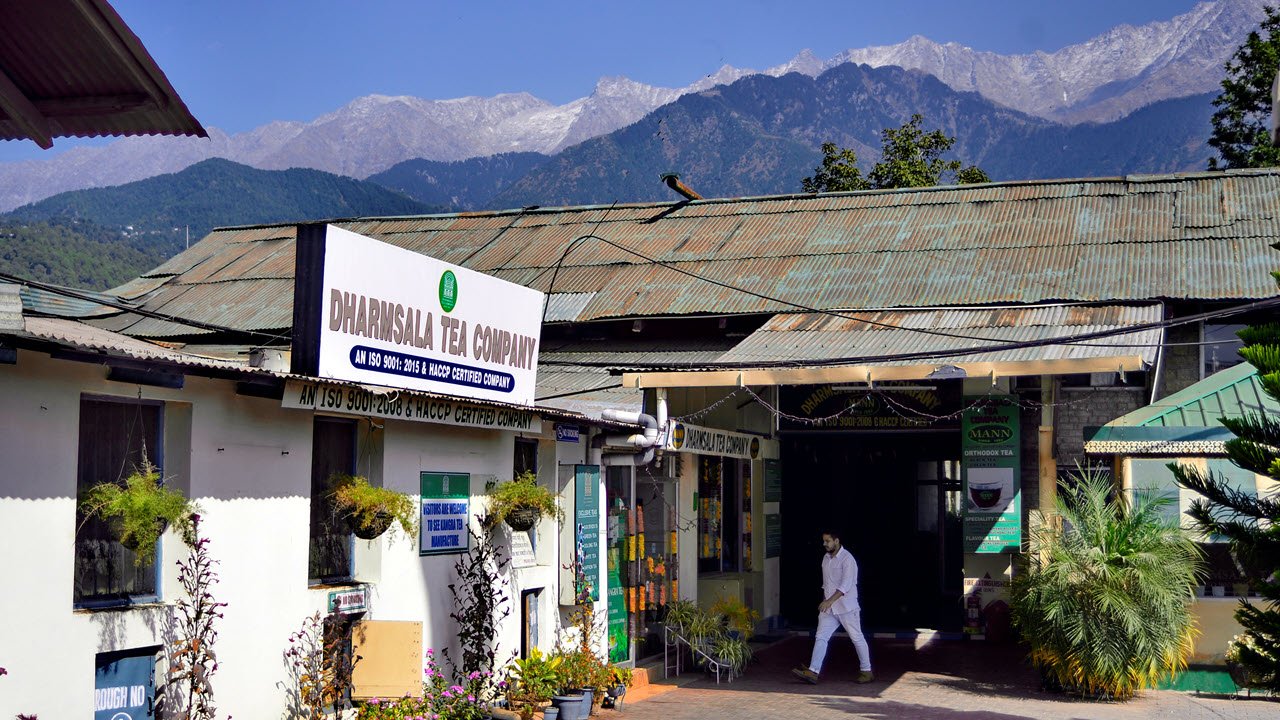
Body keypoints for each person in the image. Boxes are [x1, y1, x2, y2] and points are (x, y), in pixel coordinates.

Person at [791, 529, 873, 684]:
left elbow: (845, 585)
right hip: (829, 609)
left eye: (827, 541)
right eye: (824, 541)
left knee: (857, 638)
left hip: (847, 608)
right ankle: (813, 671)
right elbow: (826, 585)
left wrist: (829, 601)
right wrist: (825, 602)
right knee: (821, 637)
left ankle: (866, 670)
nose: (825, 544)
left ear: (836, 541)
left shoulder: (848, 559)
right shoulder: (826, 558)